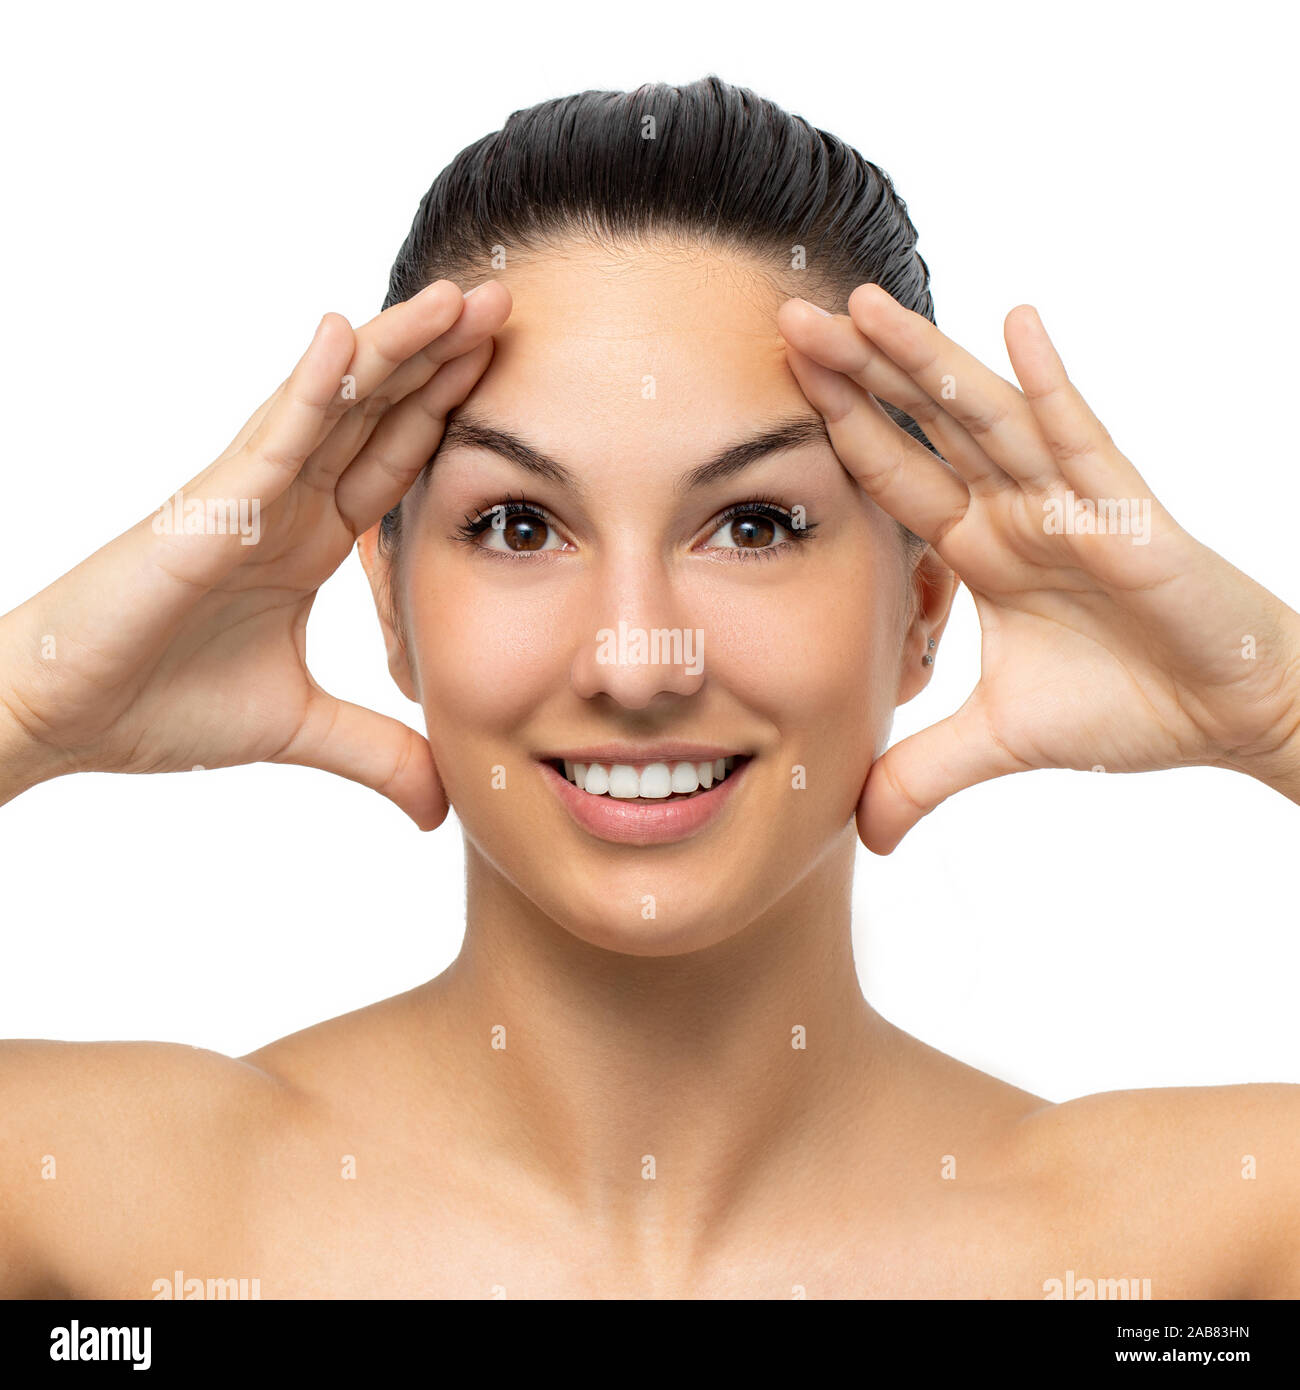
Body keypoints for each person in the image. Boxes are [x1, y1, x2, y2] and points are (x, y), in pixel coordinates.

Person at [2, 77, 1297, 1299]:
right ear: (388, 602)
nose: (635, 660)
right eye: (518, 525)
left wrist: (1280, 707)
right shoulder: (98, 1216)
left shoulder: (1204, 1248)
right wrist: (23, 707)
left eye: (753, 525)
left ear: (920, 606)